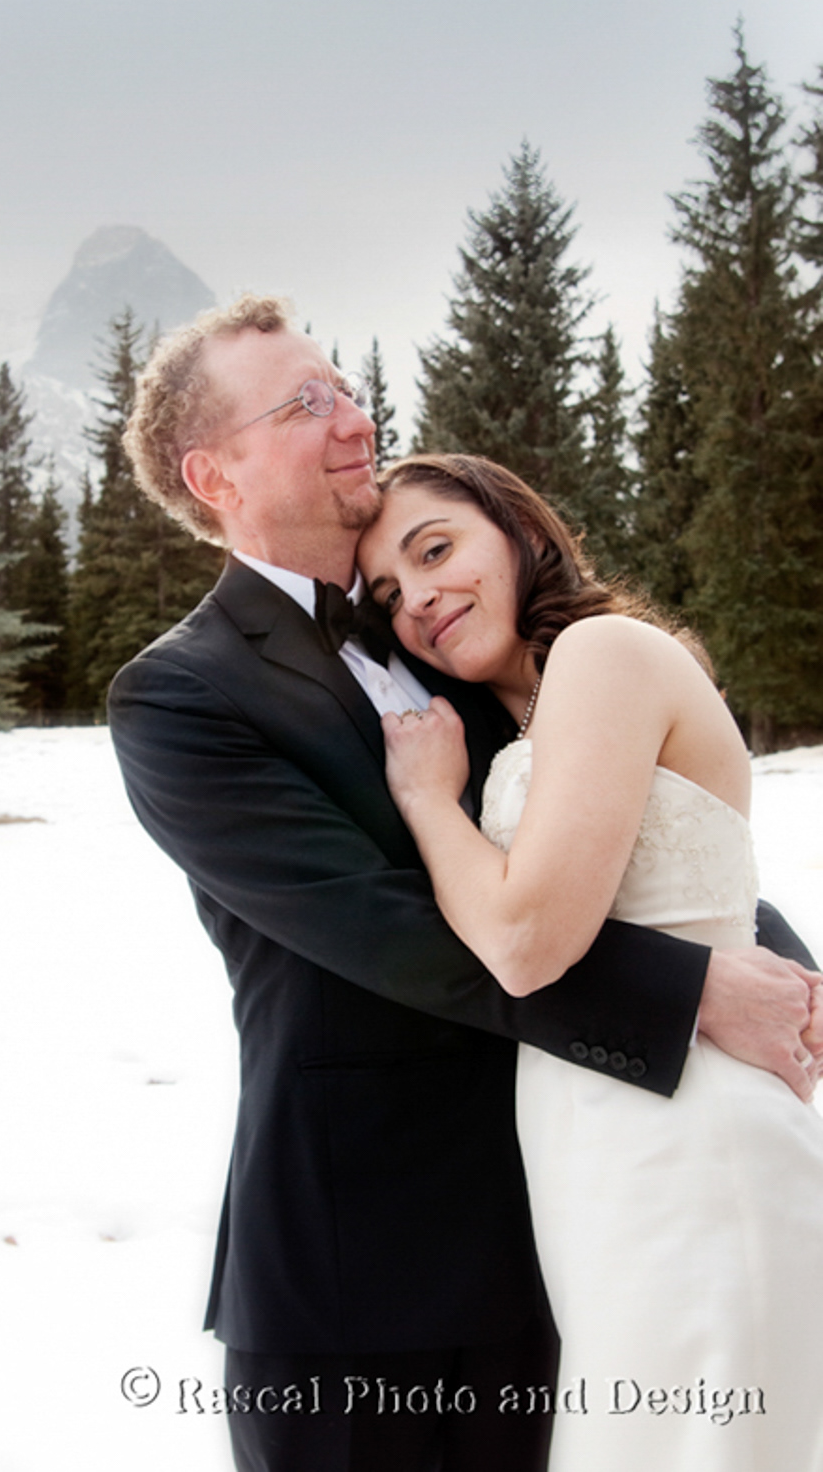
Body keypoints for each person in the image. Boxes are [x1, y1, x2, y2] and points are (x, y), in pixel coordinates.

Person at [107, 295, 820, 1472]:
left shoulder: (446, 635)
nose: (354, 417)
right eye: (305, 402)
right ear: (213, 473)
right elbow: (387, 929)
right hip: (360, 1283)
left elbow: (616, 841)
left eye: (344, 386)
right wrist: (689, 993)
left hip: (576, 1225)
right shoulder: (181, 696)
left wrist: (773, 970)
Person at [356, 451, 823, 1470]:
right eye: (388, 594)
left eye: (436, 549)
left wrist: (430, 801)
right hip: (598, 1147)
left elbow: (525, 943)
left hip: (689, 1140)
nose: (420, 599)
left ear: (520, 529)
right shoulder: (531, 711)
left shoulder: (605, 654)